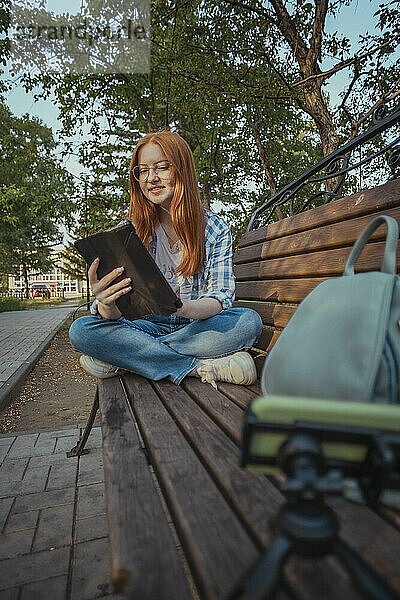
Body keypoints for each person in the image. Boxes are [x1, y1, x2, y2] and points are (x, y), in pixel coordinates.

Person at [69, 130, 263, 389]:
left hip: (195, 327)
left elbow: (220, 299)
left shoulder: (214, 228)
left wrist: (180, 307)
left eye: (162, 167)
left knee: (247, 322)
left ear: (182, 169)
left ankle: (127, 359)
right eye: (143, 170)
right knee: (82, 330)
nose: (152, 178)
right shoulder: (129, 232)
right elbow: (113, 316)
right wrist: (106, 303)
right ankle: (197, 368)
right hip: (143, 327)